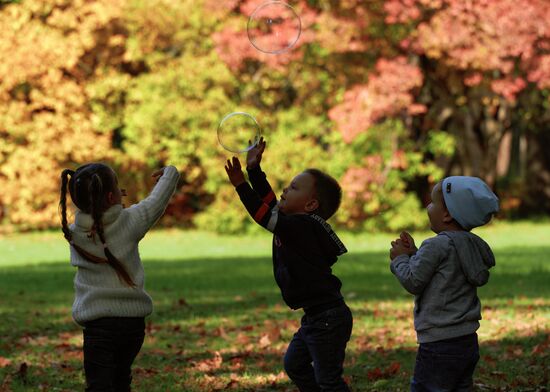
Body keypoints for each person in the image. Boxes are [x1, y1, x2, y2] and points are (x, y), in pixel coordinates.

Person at [224, 138, 353, 391]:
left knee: (329, 380)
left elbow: (264, 215)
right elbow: (271, 203)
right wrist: (253, 170)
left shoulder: (303, 227)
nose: (285, 189)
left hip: (327, 319)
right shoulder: (295, 223)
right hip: (316, 317)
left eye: (293, 188)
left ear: (310, 205)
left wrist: (241, 185)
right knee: (295, 365)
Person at [59, 162, 180, 391]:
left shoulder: (75, 234)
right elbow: (156, 202)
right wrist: (170, 174)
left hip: (98, 327)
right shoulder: (130, 222)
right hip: (132, 327)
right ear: (111, 195)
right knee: (121, 379)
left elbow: (99, 218)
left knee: (100, 385)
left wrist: (110, 201)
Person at [389, 176, 499, 391]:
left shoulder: (436, 245)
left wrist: (400, 259)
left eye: (432, 202)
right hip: (467, 340)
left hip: (439, 341)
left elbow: (413, 281)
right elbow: (444, 270)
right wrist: (414, 255)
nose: (428, 206)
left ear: (447, 214)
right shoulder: (472, 244)